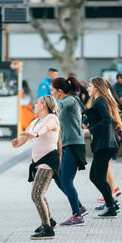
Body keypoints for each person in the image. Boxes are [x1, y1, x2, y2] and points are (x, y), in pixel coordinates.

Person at [11, 95, 61, 240]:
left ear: (44, 105)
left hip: (49, 159)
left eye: (37, 103)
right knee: (40, 194)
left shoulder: (51, 118)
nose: (34, 105)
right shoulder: (34, 122)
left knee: (36, 195)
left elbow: (44, 129)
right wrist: (17, 142)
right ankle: (49, 220)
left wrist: (35, 133)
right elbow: (24, 137)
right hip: (38, 162)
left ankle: (47, 229)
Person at [51, 77, 88, 226]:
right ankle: (79, 207)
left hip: (74, 144)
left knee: (66, 180)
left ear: (60, 91)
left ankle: (77, 216)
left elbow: (57, 106)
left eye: (53, 90)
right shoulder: (70, 100)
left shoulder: (70, 100)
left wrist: (46, 103)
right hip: (68, 144)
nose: (52, 92)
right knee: (59, 178)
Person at [83, 77, 122, 218]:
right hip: (103, 144)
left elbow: (106, 119)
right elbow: (99, 117)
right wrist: (86, 118)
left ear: (97, 88)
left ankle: (111, 207)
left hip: (105, 144)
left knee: (98, 177)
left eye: (90, 86)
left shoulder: (100, 101)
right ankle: (113, 203)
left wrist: (90, 130)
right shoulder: (97, 102)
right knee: (94, 176)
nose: (88, 88)